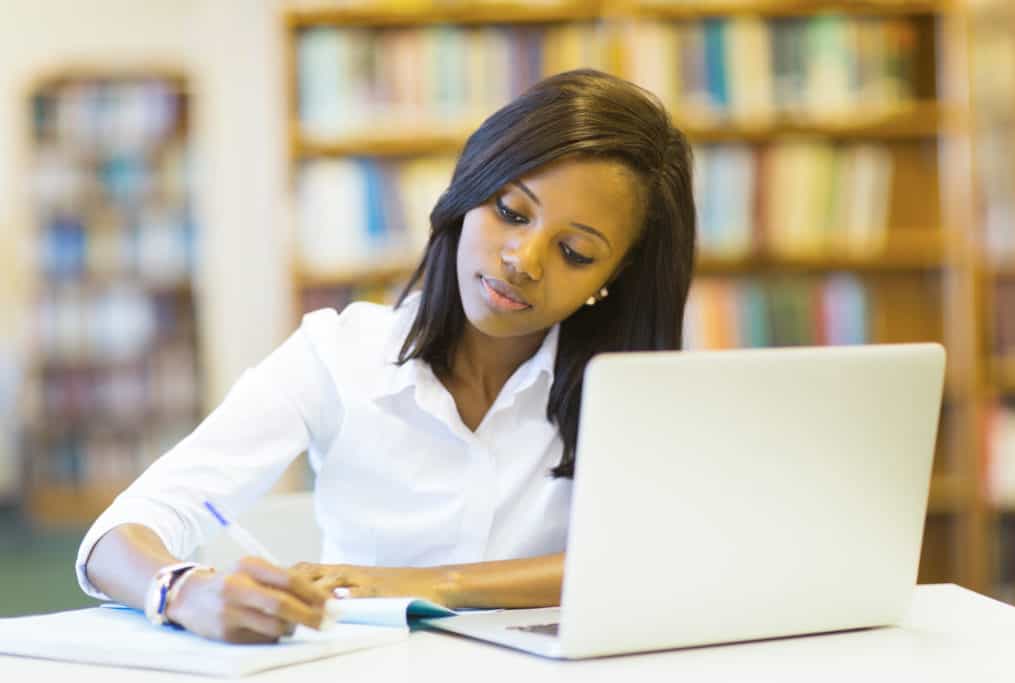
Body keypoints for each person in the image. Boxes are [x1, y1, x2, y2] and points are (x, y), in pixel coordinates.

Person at [77, 68, 696, 644]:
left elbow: (652, 557)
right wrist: (183, 592)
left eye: (576, 253)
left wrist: (423, 585)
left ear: (611, 278)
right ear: (468, 191)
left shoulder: (628, 388)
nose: (524, 260)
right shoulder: (340, 355)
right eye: (511, 212)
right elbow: (117, 535)